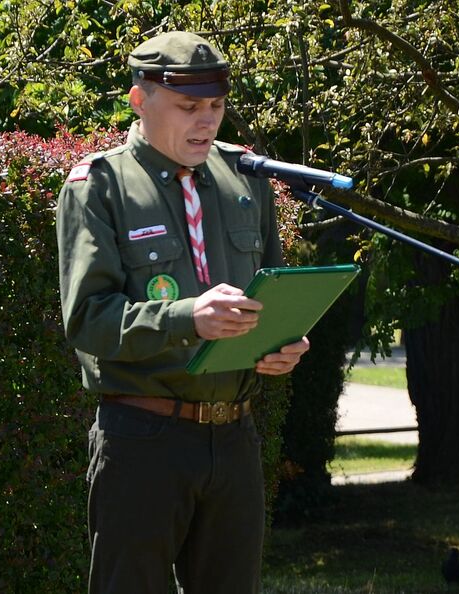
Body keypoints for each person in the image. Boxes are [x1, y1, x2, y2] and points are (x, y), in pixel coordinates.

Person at [56, 31, 310, 594]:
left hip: (235, 438)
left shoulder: (245, 176)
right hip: (144, 437)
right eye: (189, 107)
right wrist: (185, 317)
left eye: (216, 106)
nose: (207, 122)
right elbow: (89, 321)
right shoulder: (100, 185)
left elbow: (269, 290)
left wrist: (283, 341)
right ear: (139, 101)